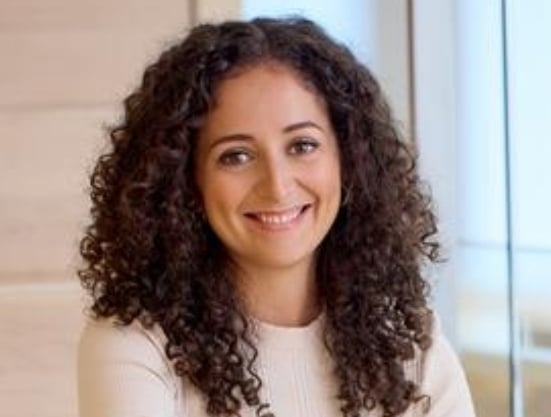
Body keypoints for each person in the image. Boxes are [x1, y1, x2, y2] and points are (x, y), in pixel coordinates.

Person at [77, 17, 476, 417]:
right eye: (236, 156)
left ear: (349, 161)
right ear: (186, 182)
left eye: (302, 145)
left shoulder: (410, 345)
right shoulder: (136, 348)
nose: (277, 186)